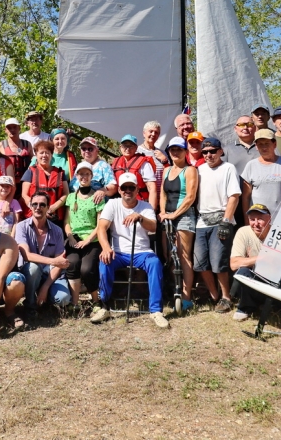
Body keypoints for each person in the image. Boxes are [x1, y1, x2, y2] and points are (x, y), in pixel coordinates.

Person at [91, 172, 169, 329]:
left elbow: (153, 227)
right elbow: (102, 228)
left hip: (142, 252)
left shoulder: (145, 206)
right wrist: (106, 248)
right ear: (119, 190)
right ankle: (105, 306)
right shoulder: (112, 204)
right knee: (105, 261)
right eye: (124, 187)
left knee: (155, 263)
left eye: (131, 187)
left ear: (137, 189)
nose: (127, 190)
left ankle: (156, 311)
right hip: (118, 252)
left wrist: (140, 217)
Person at [195, 136, 241, 312]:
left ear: (220, 151)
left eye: (213, 151)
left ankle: (226, 297)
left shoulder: (228, 168)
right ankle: (214, 295)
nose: (209, 155)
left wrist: (226, 221)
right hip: (202, 220)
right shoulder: (199, 170)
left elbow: (234, 196)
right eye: (205, 152)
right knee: (200, 261)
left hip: (221, 219)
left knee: (219, 261)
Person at [159, 137, 199, 312]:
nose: (175, 152)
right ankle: (175, 290)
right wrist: (163, 212)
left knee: (183, 256)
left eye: (179, 149)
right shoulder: (167, 170)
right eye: (172, 149)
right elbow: (163, 194)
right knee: (169, 255)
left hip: (184, 215)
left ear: (185, 151)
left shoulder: (190, 170)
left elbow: (190, 196)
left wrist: (174, 214)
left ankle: (187, 296)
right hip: (167, 216)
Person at [15, 191, 72, 314]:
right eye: (34, 204)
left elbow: (59, 263)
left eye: (42, 205)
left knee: (63, 299)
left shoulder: (57, 230)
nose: (38, 207)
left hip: (49, 274)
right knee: (33, 268)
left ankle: (44, 298)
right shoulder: (21, 227)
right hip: (30, 273)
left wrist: (45, 287)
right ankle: (30, 306)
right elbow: (27, 255)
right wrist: (53, 261)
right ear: (30, 206)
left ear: (48, 207)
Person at [64, 162, 104, 308]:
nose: (84, 177)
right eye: (81, 174)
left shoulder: (97, 197)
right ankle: (75, 303)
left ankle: (96, 301)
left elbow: (100, 224)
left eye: (87, 174)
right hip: (74, 239)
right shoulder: (71, 197)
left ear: (91, 176)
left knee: (87, 269)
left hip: (92, 240)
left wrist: (87, 240)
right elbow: (66, 221)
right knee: (72, 263)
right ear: (76, 176)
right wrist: (70, 237)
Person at [241, 129, 281, 219]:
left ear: (274, 144)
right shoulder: (251, 166)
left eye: (267, 143)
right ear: (256, 146)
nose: (264, 147)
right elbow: (246, 197)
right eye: (260, 144)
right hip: (258, 221)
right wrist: (247, 220)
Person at [20, 140, 69, 220]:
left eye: (47, 153)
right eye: (41, 153)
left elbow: (66, 193)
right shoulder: (30, 172)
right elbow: (24, 195)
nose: (44, 155)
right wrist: (37, 208)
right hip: (34, 216)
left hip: (54, 217)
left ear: (51, 155)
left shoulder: (60, 172)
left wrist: (53, 207)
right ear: (36, 155)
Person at [112, 134, 158, 210]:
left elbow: (152, 188)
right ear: (120, 147)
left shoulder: (144, 164)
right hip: (120, 204)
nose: (127, 149)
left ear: (136, 148)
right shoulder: (115, 162)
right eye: (125, 146)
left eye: (131, 146)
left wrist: (151, 211)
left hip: (140, 203)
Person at [73, 137, 117, 203]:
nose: (86, 151)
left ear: (97, 150)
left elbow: (113, 187)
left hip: (96, 206)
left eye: (90, 149)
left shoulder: (103, 166)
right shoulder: (80, 166)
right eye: (84, 149)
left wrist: (103, 190)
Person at [138, 120, 169, 197]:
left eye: (156, 132)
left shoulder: (163, 153)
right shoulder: (136, 151)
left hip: (161, 196)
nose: (153, 134)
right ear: (144, 133)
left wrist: (165, 160)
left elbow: (169, 173)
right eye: (151, 131)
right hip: (142, 197)